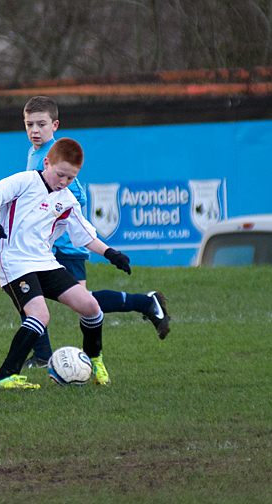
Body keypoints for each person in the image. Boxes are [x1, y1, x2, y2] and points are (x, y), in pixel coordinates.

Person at [0, 138, 140, 389]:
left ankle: (94, 359)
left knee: (91, 306)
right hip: (14, 261)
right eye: (60, 175)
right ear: (46, 163)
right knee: (39, 315)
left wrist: (111, 253)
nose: (64, 182)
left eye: (71, 178)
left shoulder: (67, 199)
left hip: (45, 261)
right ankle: (5, 377)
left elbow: (85, 235)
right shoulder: (23, 182)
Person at [20, 96, 171, 369]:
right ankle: (43, 354)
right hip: (47, 246)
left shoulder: (55, 154)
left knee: (80, 302)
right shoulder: (35, 152)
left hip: (64, 245)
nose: (34, 130)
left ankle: (146, 303)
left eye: (41, 124)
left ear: (54, 125)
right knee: (28, 294)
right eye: (29, 124)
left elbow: (72, 196)